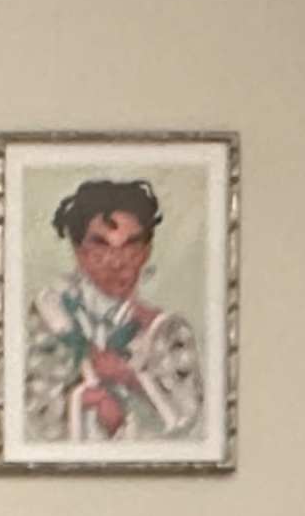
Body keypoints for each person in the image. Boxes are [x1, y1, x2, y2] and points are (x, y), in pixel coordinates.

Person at [24, 176, 202, 447]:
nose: (118, 262)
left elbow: (188, 420)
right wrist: (82, 401)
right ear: (78, 250)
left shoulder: (167, 331)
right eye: (101, 246)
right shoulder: (49, 316)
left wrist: (130, 380)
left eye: (131, 246)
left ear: (146, 252)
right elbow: (29, 416)